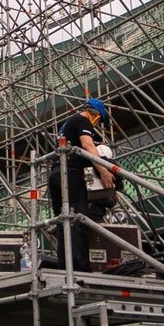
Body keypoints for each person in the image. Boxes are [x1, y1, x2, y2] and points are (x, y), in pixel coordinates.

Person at [53, 98, 120, 272]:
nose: (97, 124)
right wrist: (104, 170)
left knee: (64, 222)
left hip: (56, 173)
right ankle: (80, 267)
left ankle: (65, 267)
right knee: (77, 220)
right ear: (95, 114)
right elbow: (87, 145)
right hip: (70, 173)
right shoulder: (83, 120)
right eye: (98, 121)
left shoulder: (65, 125)